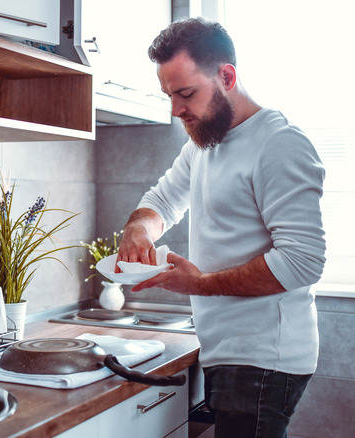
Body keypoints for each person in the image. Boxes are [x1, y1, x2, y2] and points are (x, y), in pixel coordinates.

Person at [114, 17, 326, 438]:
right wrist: (137, 230)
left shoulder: (278, 144)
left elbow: (303, 262)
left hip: (264, 359)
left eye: (186, 93)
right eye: (169, 95)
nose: (176, 110)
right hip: (228, 353)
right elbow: (161, 201)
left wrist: (201, 284)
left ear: (226, 76)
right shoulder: (202, 145)